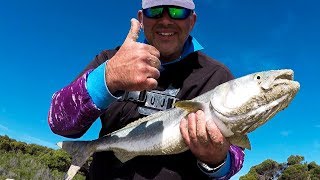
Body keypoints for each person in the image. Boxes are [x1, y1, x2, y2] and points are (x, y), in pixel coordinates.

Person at [48, 0, 245, 179]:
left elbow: (236, 156)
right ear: (141, 18)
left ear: (192, 21)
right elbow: (59, 122)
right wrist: (107, 79)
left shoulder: (218, 77)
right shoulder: (110, 60)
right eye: (156, 11)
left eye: (178, 12)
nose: (166, 20)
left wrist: (218, 160)